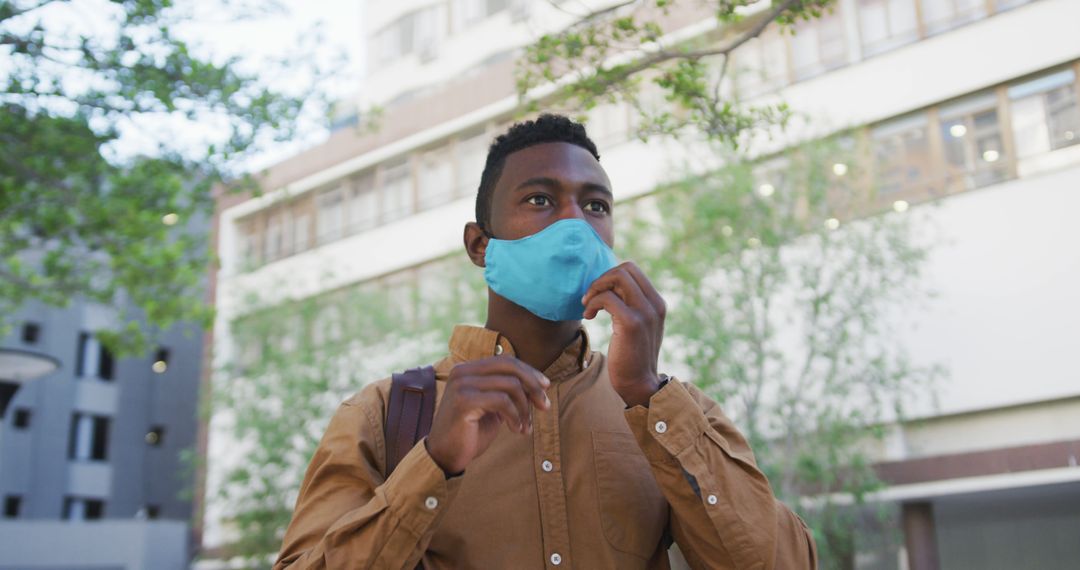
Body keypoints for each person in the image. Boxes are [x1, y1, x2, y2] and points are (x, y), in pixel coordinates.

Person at [274, 114, 818, 569]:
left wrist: (648, 396)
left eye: (596, 206)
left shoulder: (672, 412)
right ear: (480, 245)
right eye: (539, 199)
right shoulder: (383, 414)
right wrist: (433, 464)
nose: (574, 224)